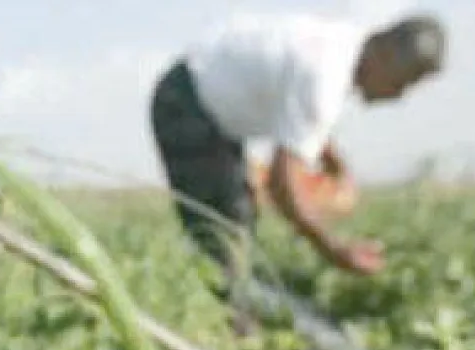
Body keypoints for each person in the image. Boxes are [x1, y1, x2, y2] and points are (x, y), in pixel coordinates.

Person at [149, 12, 447, 283]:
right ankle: (225, 314)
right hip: (186, 105)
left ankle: (236, 301)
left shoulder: (341, 46)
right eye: (402, 82)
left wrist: (333, 162)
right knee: (223, 230)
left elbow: (301, 121)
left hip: (203, 100)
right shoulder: (325, 78)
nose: (398, 95)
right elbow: (282, 186)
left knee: (236, 223)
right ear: (385, 53)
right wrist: (333, 249)